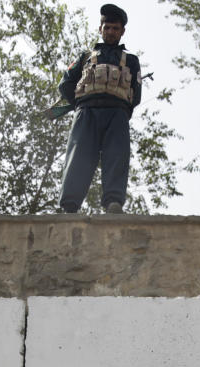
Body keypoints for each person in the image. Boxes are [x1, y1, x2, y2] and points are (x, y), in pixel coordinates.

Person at [57, 3, 141, 214]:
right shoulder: (85, 57)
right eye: (107, 27)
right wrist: (80, 105)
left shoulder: (131, 60)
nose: (110, 32)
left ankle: (113, 203)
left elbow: (136, 94)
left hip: (117, 113)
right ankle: (70, 205)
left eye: (115, 28)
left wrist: (122, 110)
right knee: (79, 157)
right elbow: (65, 84)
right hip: (86, 113)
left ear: (122, 31)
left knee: (117, 156)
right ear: (100, 29)